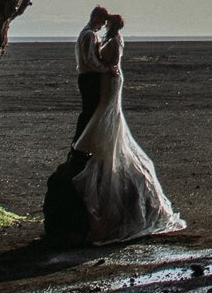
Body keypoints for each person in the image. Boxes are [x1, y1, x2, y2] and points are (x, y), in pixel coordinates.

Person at [71, 12, 186, 242]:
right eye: (105, 22)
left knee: (104, 112)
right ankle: (93, 143)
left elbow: (107, 62)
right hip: (105, 78)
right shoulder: (95, 36)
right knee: (100, 112)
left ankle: (93, 144)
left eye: (108, 24)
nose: (105, 26)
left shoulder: (113, 40)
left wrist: (105, 69)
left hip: (110, 79)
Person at [74, 6, 109, 143]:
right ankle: (81, 142)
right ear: (96, 18)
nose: (103, 25)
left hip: (86, 76)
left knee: (89, 111)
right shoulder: (89, 35)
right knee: (89, 111)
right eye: (102, 20)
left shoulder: (87, 33)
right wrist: (105, 69)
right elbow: (90, 59)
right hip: (89, 77)